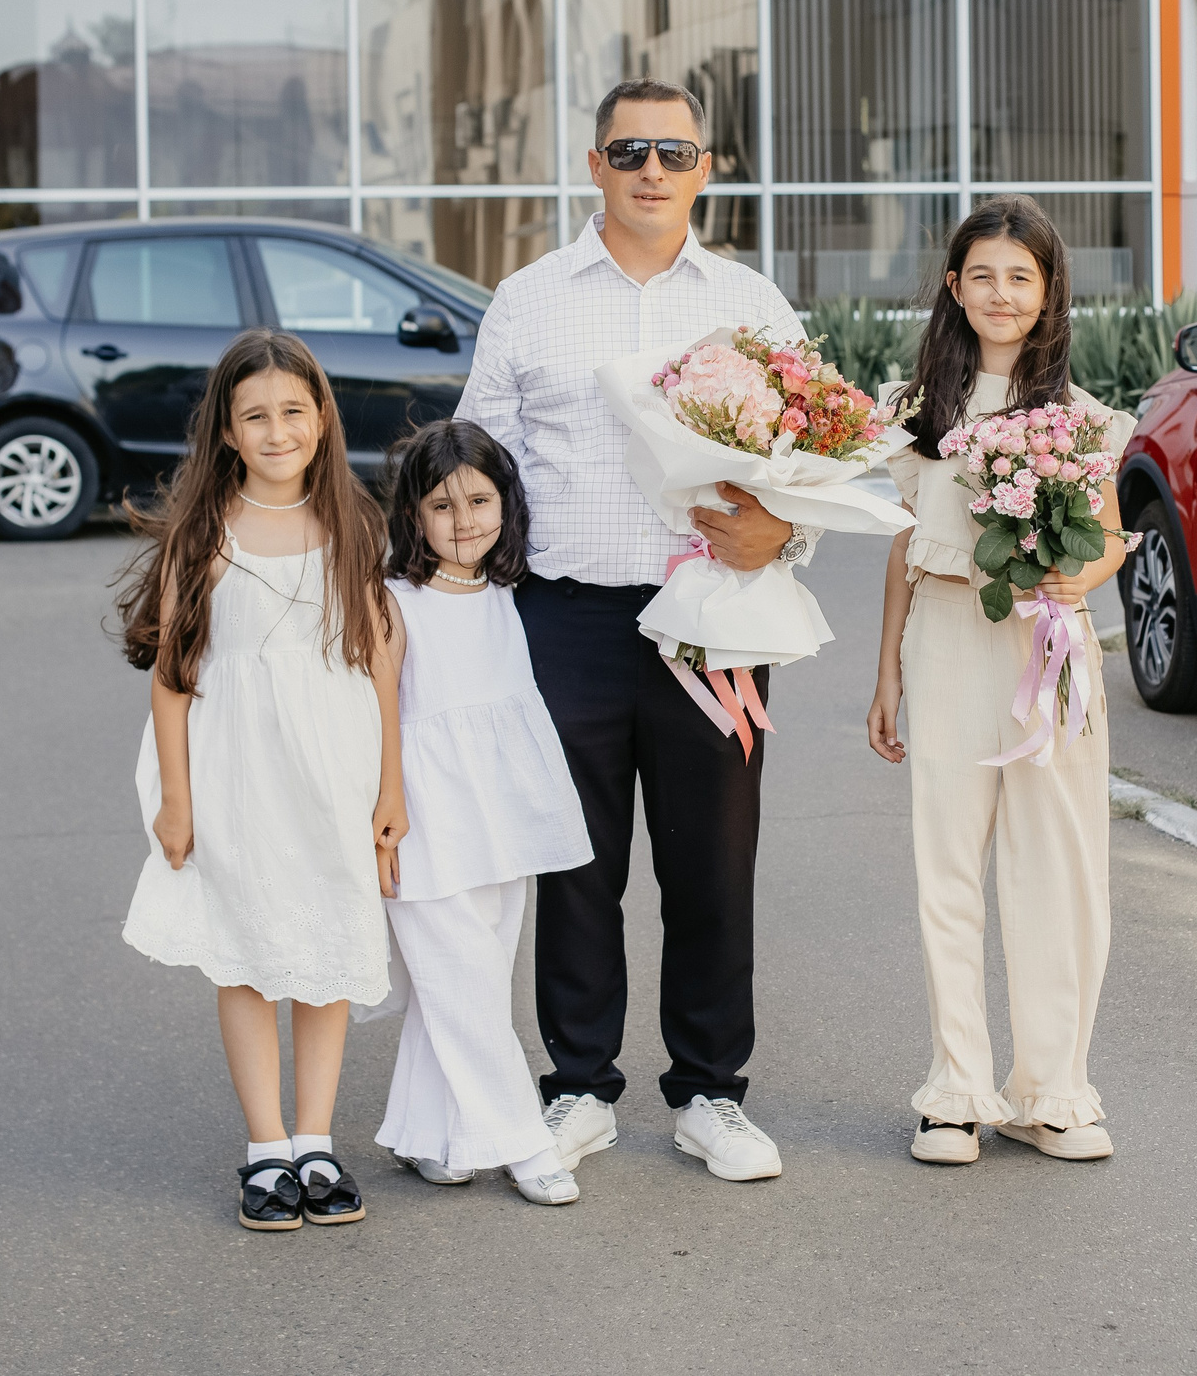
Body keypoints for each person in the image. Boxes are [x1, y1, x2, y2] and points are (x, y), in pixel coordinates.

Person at [457, 77, 808, 1184]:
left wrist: (778, 530)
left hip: (717, 628)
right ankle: (577, 1088)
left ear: (706, 167)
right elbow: (478, 466)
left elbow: (807, 459)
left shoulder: (753, 304)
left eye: (673, 149)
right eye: (628, 150)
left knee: (713, 865)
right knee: (576, 866)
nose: (651, 168)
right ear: (595, 165)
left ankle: (711, 1092)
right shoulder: (529, 298)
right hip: (565, 620)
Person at [865, 196, 1132, 1167]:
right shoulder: (913, 412)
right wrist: (887, 676)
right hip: (946, 641)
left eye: (1020, 276)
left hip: (1047, 646)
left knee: (1057, 871)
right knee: (947, 868)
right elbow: (905, 547)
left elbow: (1105, 536)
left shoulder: (1081, 418)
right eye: (981, 274)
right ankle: (954, 1092)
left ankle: (1053, 1091)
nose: (1000, 293)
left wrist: (1086, 575)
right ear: (952, 287)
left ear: (1049, 290)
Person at [118, 328, 405, 1230]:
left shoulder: (354, 524)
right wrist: (176, 796)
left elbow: (380, 661)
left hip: (334, 765)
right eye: (256, 416)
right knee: (245, 953)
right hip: (235, 766)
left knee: (325, 947)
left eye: (292, 409)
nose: (277, 429)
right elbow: (173, 673)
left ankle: (316, 1140)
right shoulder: (205, 532)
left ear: (321, 416)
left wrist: (391, 784)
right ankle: (266, 1146)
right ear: (228, 432)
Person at [374, 418, 595, 1207]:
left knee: (471, 977)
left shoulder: (507, 591)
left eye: (479, 498)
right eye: (442, 505)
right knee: (459, 973)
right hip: (425, 813)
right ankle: (524, 1141)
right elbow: (380, 713)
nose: (464, 519)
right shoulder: (393, 600)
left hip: (501, 812)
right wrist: (385, 804)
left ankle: (430, 1133)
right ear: (412, 515)